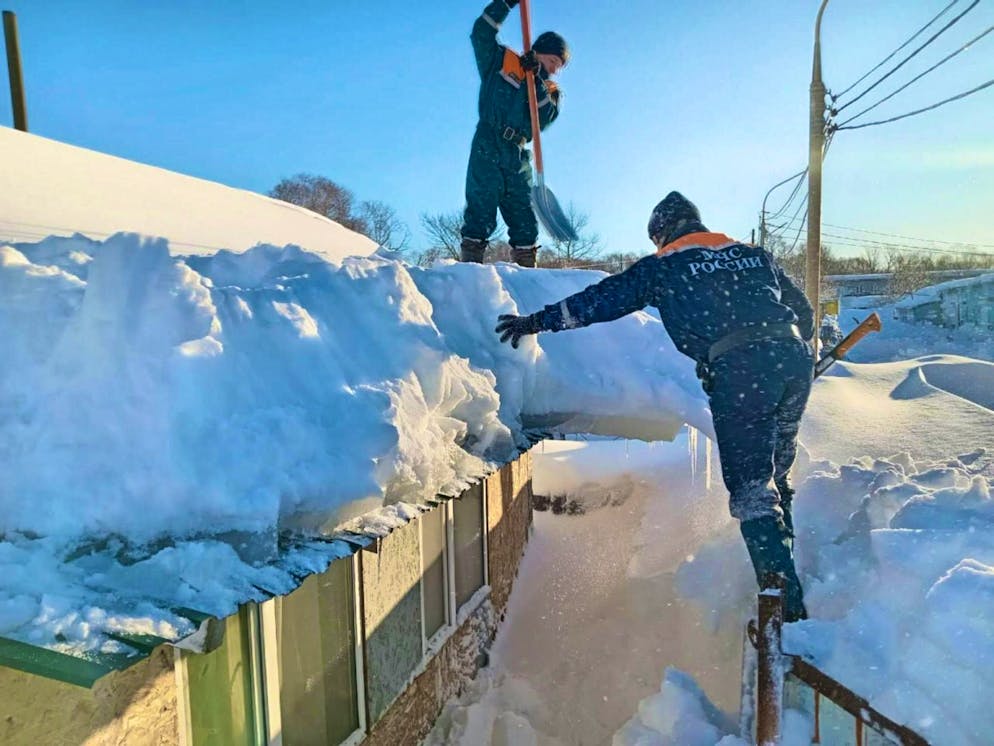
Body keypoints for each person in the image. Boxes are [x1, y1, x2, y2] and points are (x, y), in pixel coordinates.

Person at [495, 192, 815, 621]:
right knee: (777, 468)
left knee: (752, 489)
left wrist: (535, 322)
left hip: (742, 371)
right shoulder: (754, 255)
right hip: (792, 359)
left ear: (660, 235)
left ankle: (784, 613)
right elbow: (804, 314)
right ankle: (789, 565)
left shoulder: (664, 265)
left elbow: (600, 301)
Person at [459, 0, 569, 268]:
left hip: (518, 154)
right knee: (481, 204)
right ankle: (471, 270)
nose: (555, 69)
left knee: (523, 214)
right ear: (540, 51)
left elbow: (544, 119)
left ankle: (526, 273)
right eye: (554, 61)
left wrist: (536, 81)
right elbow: (481, 33)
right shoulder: (501, 61)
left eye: (560, 66)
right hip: (488, 140)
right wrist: (505, 4)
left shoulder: (551, 90)